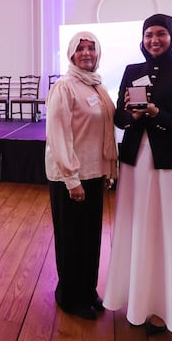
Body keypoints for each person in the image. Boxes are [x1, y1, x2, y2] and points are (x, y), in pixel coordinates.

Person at [102, 14, 172, 336]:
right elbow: (119, 117)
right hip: (134, 164)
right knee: (138, 227)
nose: (154, 40)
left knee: (167, 230)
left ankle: (165, 306)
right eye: (148, 35)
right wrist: (131, 116)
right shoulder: (133, 71)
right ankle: (136, 299)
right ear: (142, 38)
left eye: (161, 34)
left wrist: (158, 115)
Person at [44, 31, 118, 320]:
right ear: (71, 54)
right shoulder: (65, 87)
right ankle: (70, 298)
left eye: (91, 48)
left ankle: (87, 291)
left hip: (94, 173)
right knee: (71, 239)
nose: (86, 53)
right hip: (70, 178)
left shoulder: (97, 86)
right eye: (80, 49)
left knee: (90, 238)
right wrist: (71, 179)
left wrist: (108, 168)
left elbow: (105, 131)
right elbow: (58, 136)